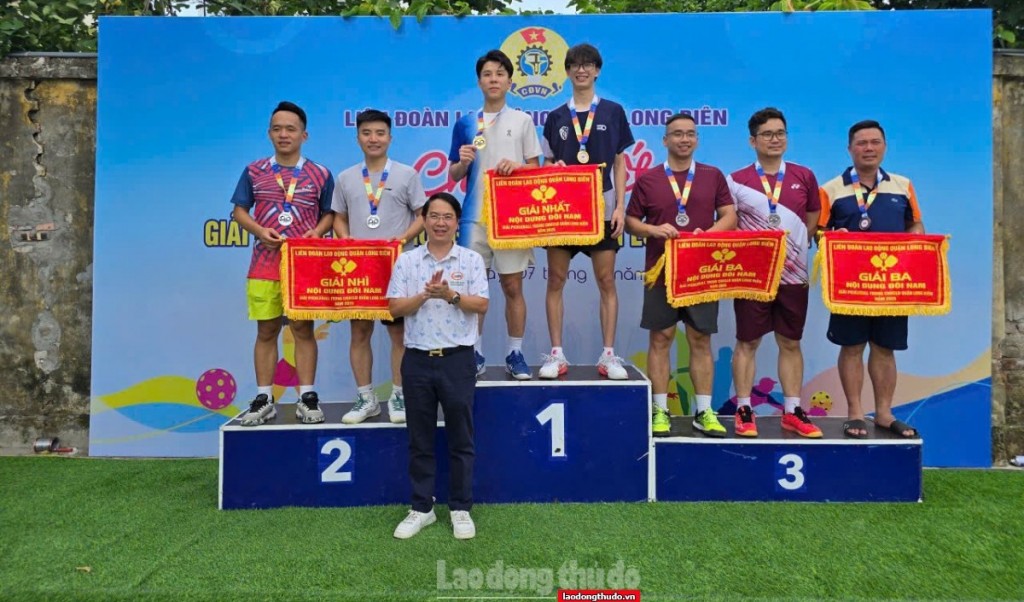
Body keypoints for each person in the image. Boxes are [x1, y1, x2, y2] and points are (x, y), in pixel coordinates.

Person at [625, 113, 737, 438]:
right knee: (660, 338)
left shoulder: (712, 176)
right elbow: (631, 222)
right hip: (661, 271)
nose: (684, 139)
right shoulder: (648, 179)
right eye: (677, 134)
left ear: (697, 139)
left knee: (700, 339)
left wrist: (707, 236)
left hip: (701, 271)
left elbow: (729, 215)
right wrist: (653, 229)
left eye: (690, 134)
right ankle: (660, 410)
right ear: (665, 140)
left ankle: (704, 412)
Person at [387, 192, 489, 540]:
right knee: (420, 439)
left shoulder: (471, 260)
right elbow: (394, 308)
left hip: (458, 360)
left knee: (461, 438)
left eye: (447, 217)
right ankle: (422, 508)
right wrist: (425, 295)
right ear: (424, 221)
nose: (440, 223)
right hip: (417, 360)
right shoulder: (408, 261)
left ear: (457, 223)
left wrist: (451, 296)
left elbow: (482, 304)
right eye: (434, 216)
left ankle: (460, 508)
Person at [230, 101, 335, 426]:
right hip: (264, 266)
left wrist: (317, 232)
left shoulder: (320, 173)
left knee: (303, 329)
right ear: (269, 134)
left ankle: (307, 397)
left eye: (290, 129)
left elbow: (330, 214)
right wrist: (260, 231)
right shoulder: (254, 171)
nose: (283, 134)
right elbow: (239, 211)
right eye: (277, 129)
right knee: (266, 330)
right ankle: (264, 398)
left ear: (304, 135)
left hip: (303, 267)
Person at [819, 120, 923, 439]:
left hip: (891, 286)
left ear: (885, 147)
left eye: (875, 142)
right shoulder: (831, 189)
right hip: (850, 286)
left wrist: (914, 244)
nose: (868, 148)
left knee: (885, 348)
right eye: (861, 143)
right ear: (850, 149)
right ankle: (854, 413)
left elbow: (915, 226)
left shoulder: (903, 185)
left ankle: (884, 413)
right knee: (852, 346)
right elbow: (818, 232)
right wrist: (831, 237)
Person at [539, 43, 635, 380]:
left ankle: (608, 355)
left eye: (588, 64)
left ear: (597, 71)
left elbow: (620, 163)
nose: (582, 70)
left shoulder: (612, 111)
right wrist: (553, 169)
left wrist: (620, 206)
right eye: (575, 65)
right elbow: (547, 162)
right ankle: (556, 354)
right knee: (556, 280)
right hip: (563, 210)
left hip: (602, 207)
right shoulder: (556, 117)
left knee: (606, 280)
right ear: (567, 72)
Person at [727, 108, 823, 438]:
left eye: (780, 133)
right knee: (747, 341)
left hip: (794, 277)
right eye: (767, 134)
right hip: (753, 277)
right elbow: (730, 222)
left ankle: (792, 410)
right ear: (752, 141)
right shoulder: (736, 180)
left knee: (790, 341)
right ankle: (744, 408)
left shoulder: (804, 176)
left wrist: (795, 250)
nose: (775, 139)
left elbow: (812, 217)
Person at [449, 49, 543, 380]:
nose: (493, 79)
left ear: (509, 82)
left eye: (500, 74)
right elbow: (454, 175)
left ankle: (515, 352)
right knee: (472, 289)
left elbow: (535, 169)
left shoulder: (522, 121)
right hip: (474, 218)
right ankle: (473, 352)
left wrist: (517, 167)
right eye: (487, 74)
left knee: (512, 287)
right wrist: (462, 162)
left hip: (512, 219)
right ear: (479, 81)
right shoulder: (465, 123)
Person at [332, 109, 427, 425]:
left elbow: (423, 215)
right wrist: (345, 239)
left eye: (380, 133)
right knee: (359, 332)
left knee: (399, 334)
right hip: (359, 269)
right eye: (367, 133)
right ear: (358, 137)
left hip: (397, 267)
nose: (373, 139)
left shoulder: (407, 174)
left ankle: (399, 395)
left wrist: (402, 239)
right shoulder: (346, 177)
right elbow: (338, 217)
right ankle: (366, 398)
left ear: (390, 137)